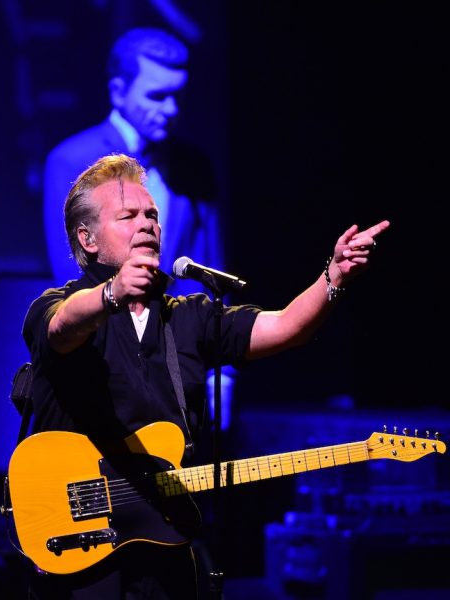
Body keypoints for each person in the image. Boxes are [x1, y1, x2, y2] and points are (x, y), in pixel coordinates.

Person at [20, 153, 390, 598]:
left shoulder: (189, 318)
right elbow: (62, 327)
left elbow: (287, 326)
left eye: (152, 215)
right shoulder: (57, 305)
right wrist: (112, 294)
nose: (147, 225)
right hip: (86, 550)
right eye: (128, 216)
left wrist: (334, 277)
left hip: (165, 544)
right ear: (88, 238)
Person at [43, 25, 235, 428]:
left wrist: (223, 368)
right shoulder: (72, 160)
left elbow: (208, 267)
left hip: (183, 359)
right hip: (103, 364)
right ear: (118, 91)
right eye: (156, 95)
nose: (171, 109)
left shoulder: (192, 165)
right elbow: (72, 275)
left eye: (178, 95)